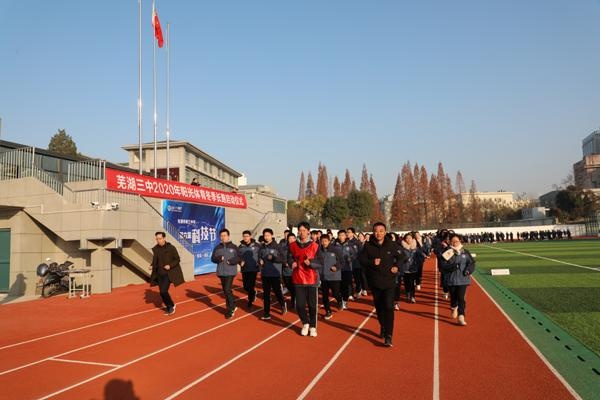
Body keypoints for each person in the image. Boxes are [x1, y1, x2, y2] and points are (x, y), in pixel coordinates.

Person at [359, 222, 405, 347]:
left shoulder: (392, 244)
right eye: (376, 231)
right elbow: (361, 260)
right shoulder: (368, 246)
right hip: (375, 282)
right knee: (379, 309)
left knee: (389, 307)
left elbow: (402, 257)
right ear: (373, 232)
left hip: (389, 281)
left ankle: (389, 336)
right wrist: (372, 262)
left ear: (385, 232)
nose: (378, 233)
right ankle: (383, 326)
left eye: (381, 230)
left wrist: (396, 266)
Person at [288, 221, 323, 337]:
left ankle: (313, 326)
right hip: (298, 278)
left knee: (312, 306)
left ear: (308, 231)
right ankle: (305, 323)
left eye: (304, 230)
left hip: (312, 280)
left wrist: (311, 263)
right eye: (300, 230)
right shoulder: (292, 245)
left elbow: (321, 262)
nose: (302, 232)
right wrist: (291, 263)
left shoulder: (315, 246)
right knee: (300, 305)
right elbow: (289, 257)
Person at [439, 233, 475, 326]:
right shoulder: (447, 252)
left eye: (457, 241)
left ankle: (461, 316)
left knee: (461, 298)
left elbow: (471, 263)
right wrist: (453, 267)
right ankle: (453, 307)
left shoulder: (465, 252)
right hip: (451, 279)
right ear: (449, 242)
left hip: (463, 279)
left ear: (460, 241)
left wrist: (468, 270)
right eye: (453, 241)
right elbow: (442, 266)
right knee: (454, 298)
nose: (455, 243)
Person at [150, 232, 185, 315]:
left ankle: (170, 307)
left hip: (168, 274)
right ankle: (171, 304)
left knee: (163, 291)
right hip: (159, 274)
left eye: (160, 238)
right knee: (162, 292)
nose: (158, 240)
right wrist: (152, 265)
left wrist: (170, 265)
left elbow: (177, 259)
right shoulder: (156, 249)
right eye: (157, 239)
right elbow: (155, 260)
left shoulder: (171, 248)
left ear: (164, 238)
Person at [211, 229, 241, 319]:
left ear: (228, 236)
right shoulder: (217, 247)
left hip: (231, 271)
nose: (223, 237)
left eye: (225, 235)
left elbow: (239, 257)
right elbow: (212, 259)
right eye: (221, 236)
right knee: (226, 291)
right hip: (221, 271)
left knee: (227, 290)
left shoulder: (234, 247)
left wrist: (231, 261)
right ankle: (233, 305)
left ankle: (230, 309)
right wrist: (220, 258)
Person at [258, 228, 287, 320]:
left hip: (275, 274)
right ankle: (266, 313)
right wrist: (260, 261)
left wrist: (274, 258)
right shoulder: (261, 247)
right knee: (266, 294)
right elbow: (259, 258)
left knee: (277, 292)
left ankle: (282, 304)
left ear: (272, 235)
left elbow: (283, 259)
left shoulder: (277, 246)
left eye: (268, 235)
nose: (266, 237)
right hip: (265, 273)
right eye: (265, 235)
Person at [320, 234, 343, 320]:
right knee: (325, 295)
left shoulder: (335, 250)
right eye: (322, 241)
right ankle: (328, 311)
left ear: (329, 241)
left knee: (335, 293)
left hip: (334, 276)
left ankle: (340, 300)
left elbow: (341, 261)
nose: (324, 243)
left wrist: (336, 267)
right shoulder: (319, 251)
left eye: (325, 241)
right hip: (324, 276)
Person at [238, 230, 261, 310]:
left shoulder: (257, 245)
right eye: (244, 236)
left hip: (253, 268)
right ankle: (253, 293)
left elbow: (261, 254)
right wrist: (240, 262)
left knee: (251, 286)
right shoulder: (240, 246)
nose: (245, 238)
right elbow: (238, 256)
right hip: (244, 269)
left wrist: (259, 261)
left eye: (247, 236)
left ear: (250, 237)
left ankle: (250, 302)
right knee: (245, 287)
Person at [337, 230, 356, 308]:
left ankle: (344, 300)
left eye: (343, 235)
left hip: (347, 269)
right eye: (340, 235)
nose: (341, 237)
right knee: (338, 287)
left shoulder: (349, 246)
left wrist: (350, 258)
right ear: (338, 236)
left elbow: (354, 255)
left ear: (345, 236)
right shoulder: (334, 246)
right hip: (337, 270)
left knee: (345, 286)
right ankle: (340, 300)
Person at [282, 232, 297, 307]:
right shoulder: (284, 248)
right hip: (286, 270)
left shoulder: (298, 247)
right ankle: (294, 295)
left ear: (295, 239)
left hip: (295, 271)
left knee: (295, 286)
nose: (291, 240)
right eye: (289, 238)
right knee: (288, 285)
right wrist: (285, 263)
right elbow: (281, 257)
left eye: (292, 238)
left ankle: (293, 300)